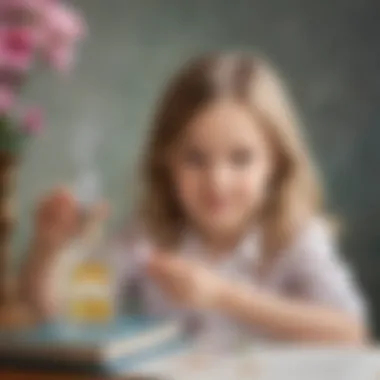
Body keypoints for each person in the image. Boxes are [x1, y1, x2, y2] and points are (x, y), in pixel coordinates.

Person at [22, 52, 368, 346]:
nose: (217, 182)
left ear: (275, 163)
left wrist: (223, 296)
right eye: (195, 159)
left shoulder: (295, 237)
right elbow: (59, 314)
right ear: (166, 161)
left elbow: (350, 331)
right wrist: (46, 249)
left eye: (241, 158)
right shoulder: (147, 238)